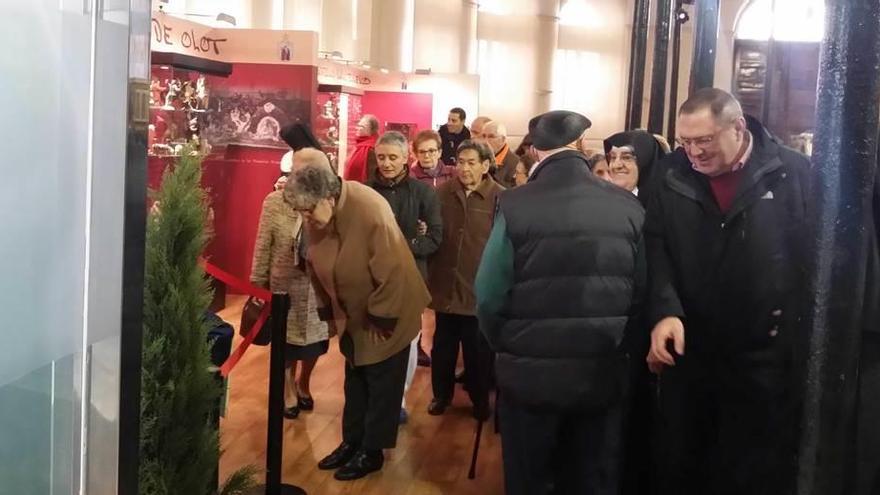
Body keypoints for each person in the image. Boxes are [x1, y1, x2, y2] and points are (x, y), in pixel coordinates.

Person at [645, 88, 811, 495]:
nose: (694, 153)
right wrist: (664, 310)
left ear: (738, 127)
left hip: (764, 358)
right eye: (685, 142)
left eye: (704, 141)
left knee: (754, 471)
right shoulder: (669, 175)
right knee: (686, 464)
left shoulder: (792, 173)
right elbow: (655, 248)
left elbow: (810, 261)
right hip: (691, 353)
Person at [475, 110, 645, 495]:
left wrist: (506, 343)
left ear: (535, 151)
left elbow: (488, 294)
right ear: (583, 146)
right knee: (591, 477)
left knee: (530, 477)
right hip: (601, 371)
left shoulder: (515, 205)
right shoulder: (628, 207)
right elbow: (640, 292)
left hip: (529, 375)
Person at [285, 154, 430, 481]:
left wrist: (382, 317)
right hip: (353, 312)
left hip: (388, 312)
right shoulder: (318, 214)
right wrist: (329, 310)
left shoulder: (369, 207)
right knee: (356, 378)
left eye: (309, 210)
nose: (305, 217)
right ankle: (352, 442)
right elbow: (315, 263)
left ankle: (373, 451)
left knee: (382, 382)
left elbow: (392, 269)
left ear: (328, 198)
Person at [368, 131, 443, 423]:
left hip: (411, 277)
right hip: (371, 276)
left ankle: (398, 398)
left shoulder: (424, 193)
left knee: (408, 341)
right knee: (374, 338)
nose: (386, 163)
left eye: (392, 158)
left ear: (405, 159)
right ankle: (374, 398)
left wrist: (404, 247)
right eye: (381, 157)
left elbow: (435, 237)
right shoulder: (364, 191)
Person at [427, 140, 503, 420]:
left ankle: (480, 401)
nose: (465, 168)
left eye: (472, 162)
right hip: (445, 285)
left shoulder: (500, 197)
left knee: (478, 353)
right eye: (461, 162)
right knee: (442, 348)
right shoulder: (443, 192)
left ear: (485, 165)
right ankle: (441, 395)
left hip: (478, 288)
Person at [251, 149, 330, 420]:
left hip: (318, 286)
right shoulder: (274, 201)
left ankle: (303, 383)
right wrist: (257, 284)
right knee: (285, 344)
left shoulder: (327, 201)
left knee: (316, 344)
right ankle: (287, 389)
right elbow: (262, 245)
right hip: (284, 286)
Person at [604, 130, 667, 204]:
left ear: (646, 164)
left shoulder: (663, 206)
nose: (616, 165)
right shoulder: (600, 201)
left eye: (626, 157)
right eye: (613, 157)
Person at [343, 114, 380, 183]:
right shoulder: (358, 146)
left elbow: (372, 176)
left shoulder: (372, 149)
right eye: (358, 125)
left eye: (361, 126)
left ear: (371, 130)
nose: (357, 128)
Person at [481, 121, 518, 188]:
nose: (485, 141)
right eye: (483, 136)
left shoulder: (515, 163)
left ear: (502, 139)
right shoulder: (479, 157)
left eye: (491, 136)